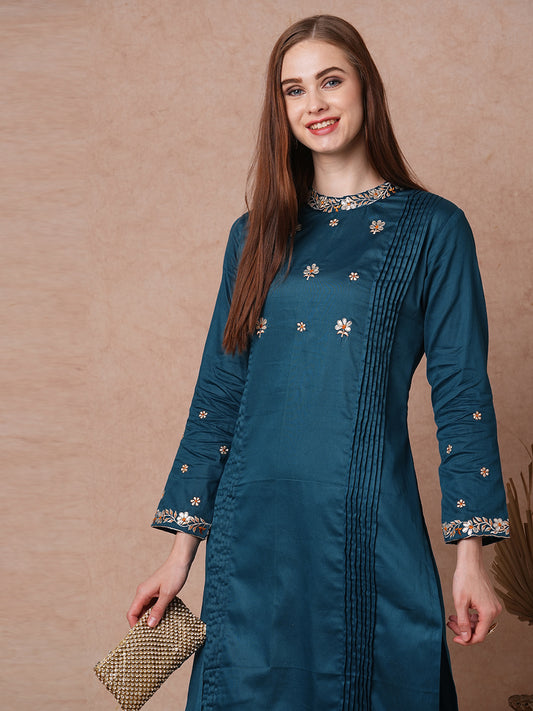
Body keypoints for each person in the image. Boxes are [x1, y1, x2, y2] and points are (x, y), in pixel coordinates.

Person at [127, 15, 509, 710]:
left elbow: (461, 394)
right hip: (254, 535)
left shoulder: (433, 227)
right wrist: (180, 556)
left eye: (330, 80)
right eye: (294, 90)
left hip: (366, 523)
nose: (315, 104)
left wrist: (470, 559)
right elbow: (220, 392)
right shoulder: (254, 234)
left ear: (366, 86)